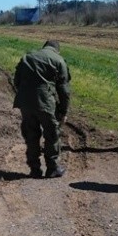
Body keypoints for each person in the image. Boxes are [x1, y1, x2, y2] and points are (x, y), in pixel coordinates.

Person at [12, 40, 71, 178]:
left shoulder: (28, 57)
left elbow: (16, 81)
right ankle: (52, 168)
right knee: (51, 134)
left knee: (31, 134)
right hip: (46, 103)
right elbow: (64, 90)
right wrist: (63, 111)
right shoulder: (59, 60)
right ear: (57, 50)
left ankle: (34, 169)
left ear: (44, 47)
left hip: (25, 102)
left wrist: (27, 94)